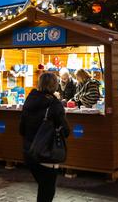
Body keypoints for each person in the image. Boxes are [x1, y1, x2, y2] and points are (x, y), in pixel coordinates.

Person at [19, 71, 70, 202]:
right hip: (47, 154)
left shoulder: (29, 99)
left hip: (29, 152)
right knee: (47, 190)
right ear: (55, 85)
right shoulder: (54, 104)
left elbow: (21, 129)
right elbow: (66, 131)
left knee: (43, 187)